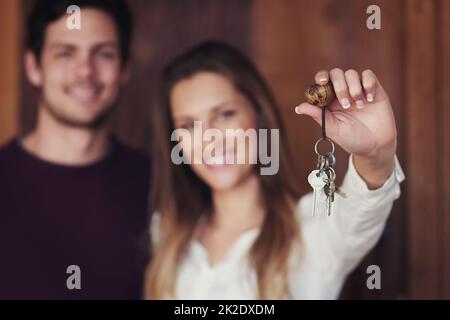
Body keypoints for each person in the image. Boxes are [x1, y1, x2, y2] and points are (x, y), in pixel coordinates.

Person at [144, 41, 405, 299]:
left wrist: (374, 156)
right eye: (189, 126)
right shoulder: (168, 233)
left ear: (258, 115)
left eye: (225, 114)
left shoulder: (314, 232)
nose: (209, 140)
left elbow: (362, 210)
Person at [0, 0, 150, 299]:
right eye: (65, 53)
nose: (85, 71)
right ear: (34, 67)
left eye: (103, 54)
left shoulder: (161, 185)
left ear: (124, 69)